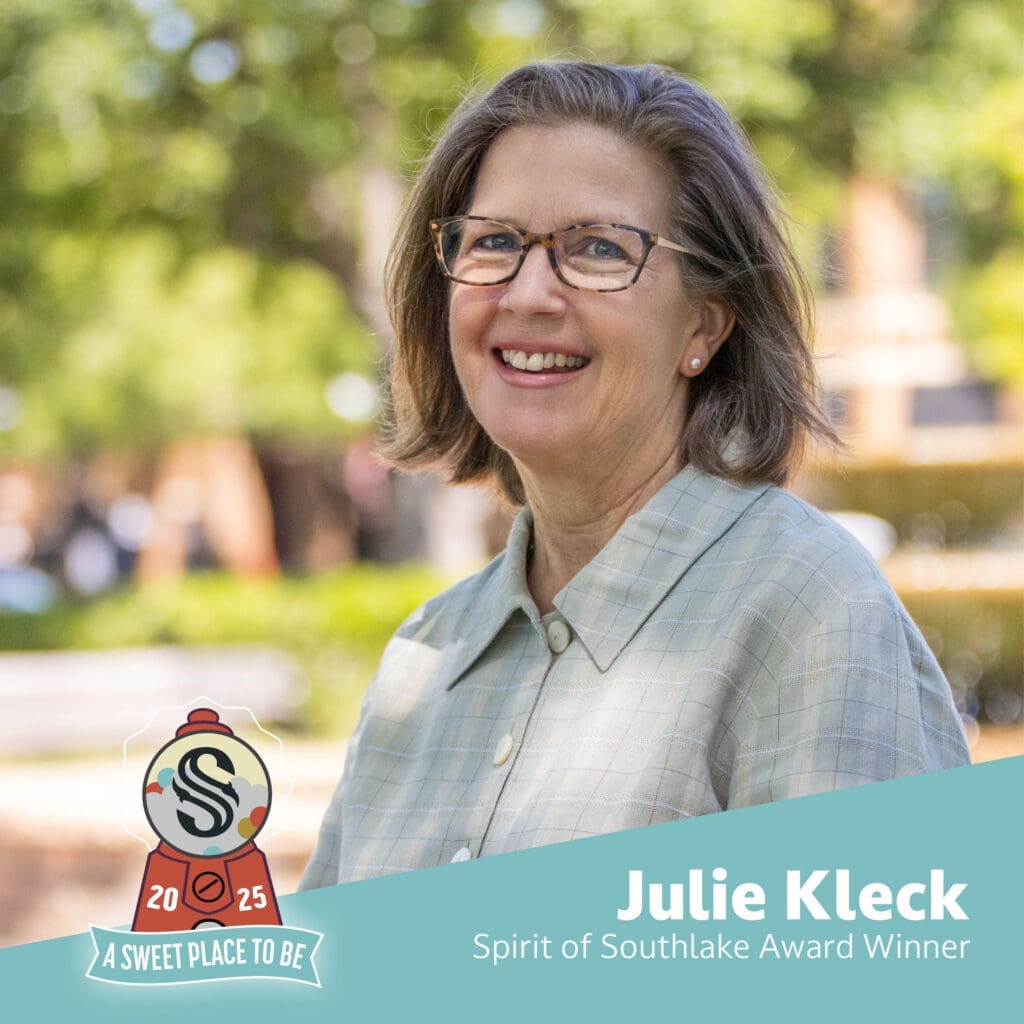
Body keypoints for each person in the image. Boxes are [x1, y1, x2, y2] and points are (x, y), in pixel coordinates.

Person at [300, 61, 969, 889]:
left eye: (599, 249)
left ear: (707, 324)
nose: (530, 291)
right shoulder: (425, 656)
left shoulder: (811, 616)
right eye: (495, 241)